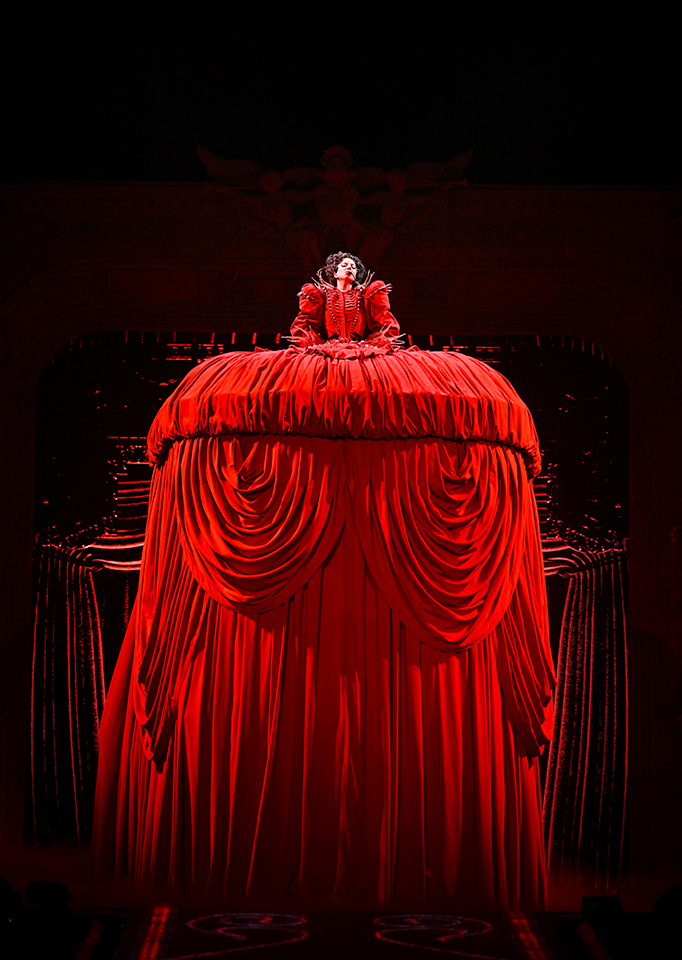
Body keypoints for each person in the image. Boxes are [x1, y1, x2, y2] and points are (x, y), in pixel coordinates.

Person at [92, 252, 554, 911]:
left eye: (349, 276)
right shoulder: (448, 383)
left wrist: (374, 338)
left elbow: (383, 328)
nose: (345, 282)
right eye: (340, 275)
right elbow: (309, 332)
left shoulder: (363, 316)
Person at [290, 251, 400, 345]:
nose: (349, 267)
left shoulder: (365, 295)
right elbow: (302, 325)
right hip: (330, 350)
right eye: (344, 265)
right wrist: (316, 344)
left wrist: (371, 345)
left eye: (353, 267)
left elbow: (386, 323)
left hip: (359, 350)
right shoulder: (322, 295)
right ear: (335, 273)